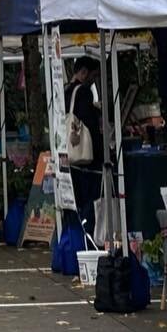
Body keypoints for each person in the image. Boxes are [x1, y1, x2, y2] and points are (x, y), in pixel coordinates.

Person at [65, 57, 103, 230]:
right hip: (86, 156)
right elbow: (90, 126)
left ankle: (76, 228)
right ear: (84, 72)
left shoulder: (66, 91)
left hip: (71, 155)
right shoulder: (84, 92)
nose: (93, 81)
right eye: (93, 76)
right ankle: (89, 229)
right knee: (89, 197)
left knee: (76, 197)